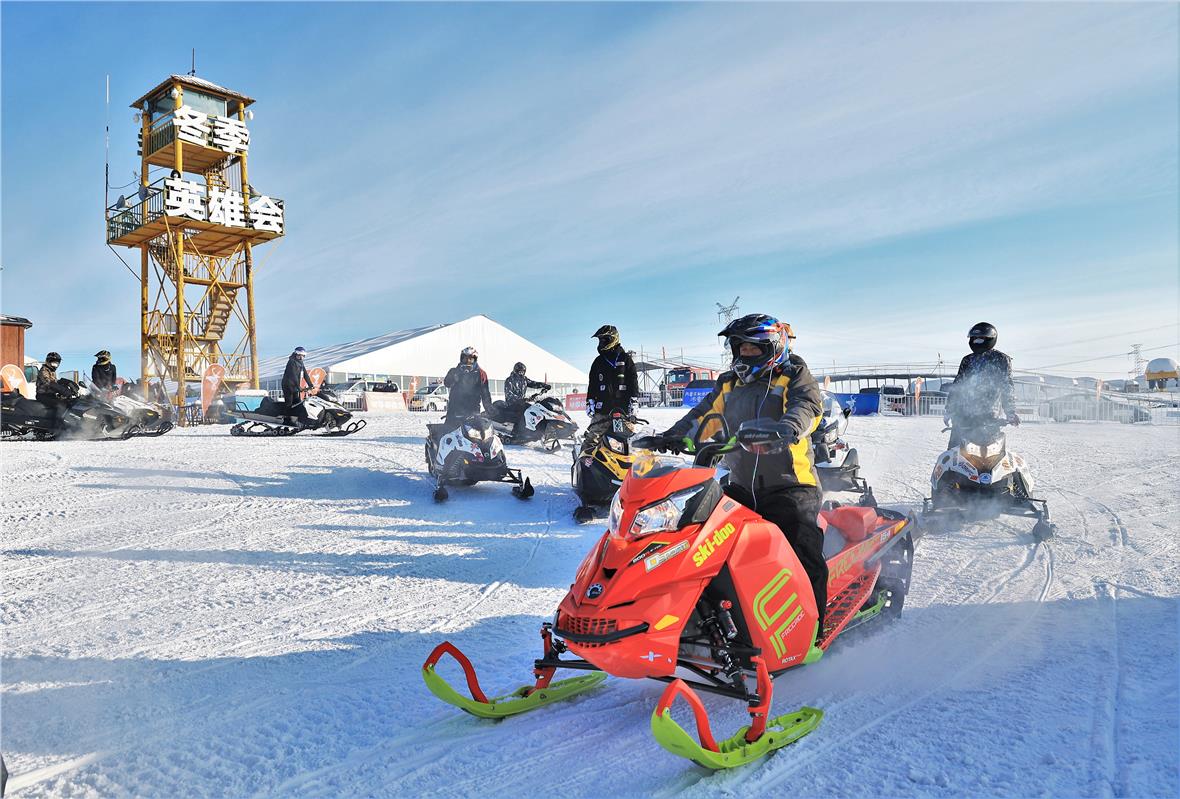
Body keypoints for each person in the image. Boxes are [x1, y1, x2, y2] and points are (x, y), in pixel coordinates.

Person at [661, 314, 828, 632]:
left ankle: (812, 630)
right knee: (710, 550)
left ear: (773, 348)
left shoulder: (793, 374)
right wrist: (673, 433)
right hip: (739, 486)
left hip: (790, 486)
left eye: (754, 349)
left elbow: (807, 406)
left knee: (800, 554)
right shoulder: (728, 383)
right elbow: (704, 414)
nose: (745, 355)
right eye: (740, 348)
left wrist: (786, 429)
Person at [944, 322, 1018, 447]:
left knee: (991, 454)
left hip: (989, 418)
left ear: (990, 339)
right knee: (954, 455)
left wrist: (1010, 411)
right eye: (975, 339)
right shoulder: (967, 360)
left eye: (980, 339)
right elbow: (957, 386)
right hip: (962, 417)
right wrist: (950, 410)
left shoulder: (1001, 359)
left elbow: (1007, 386)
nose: (977, 342)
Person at [580, 325, 640, 455]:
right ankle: (582, 467)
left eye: (604, 339)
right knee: (591, 440)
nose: (601, 343)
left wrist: (634, 401)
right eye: (600, 340)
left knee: (627, 442)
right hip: (602, 410)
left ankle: (628, 472)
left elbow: (633, 382)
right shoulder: (598, 361)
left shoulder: (626, 359)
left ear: (613, 339)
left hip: (623, 410)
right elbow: (593, 384)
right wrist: (589, 401)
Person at [443, 346, 493, 423]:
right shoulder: (454, 371)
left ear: (475, 359)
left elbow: (485, 393)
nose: (467, 361)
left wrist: (489, 409)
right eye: (465, 358)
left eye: (470, 359)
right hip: (454, 409)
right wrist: (452, 377)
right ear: (461, 358)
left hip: (472, 410)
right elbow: (447, 383)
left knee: (473, 433)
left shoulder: (481, 374)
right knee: (448, 431)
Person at [35, 351, 70, 424]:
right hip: (43, 395)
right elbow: (49, 383)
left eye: (57, 364)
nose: (55, 365)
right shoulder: (44, 370)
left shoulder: (51, 371)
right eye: (54, 363)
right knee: (60, 406)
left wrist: (67, 384)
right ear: (48, 361)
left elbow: (55, 382)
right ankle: (56, 427)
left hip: (50, 395)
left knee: (66, 403)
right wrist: (62, 390)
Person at [282, 347, 314, 423]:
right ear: (296, 354)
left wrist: (310, 385)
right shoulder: (292, 362)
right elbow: (293, 376)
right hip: (288, 385)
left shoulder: (300, 363)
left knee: (297, 403)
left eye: (303, 356)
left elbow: (305, 374)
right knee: (289, 403)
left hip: (295, 386)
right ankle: (286, 420)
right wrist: (298, 387)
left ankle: (296, 420)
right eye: (299, 355)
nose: (301, 357)